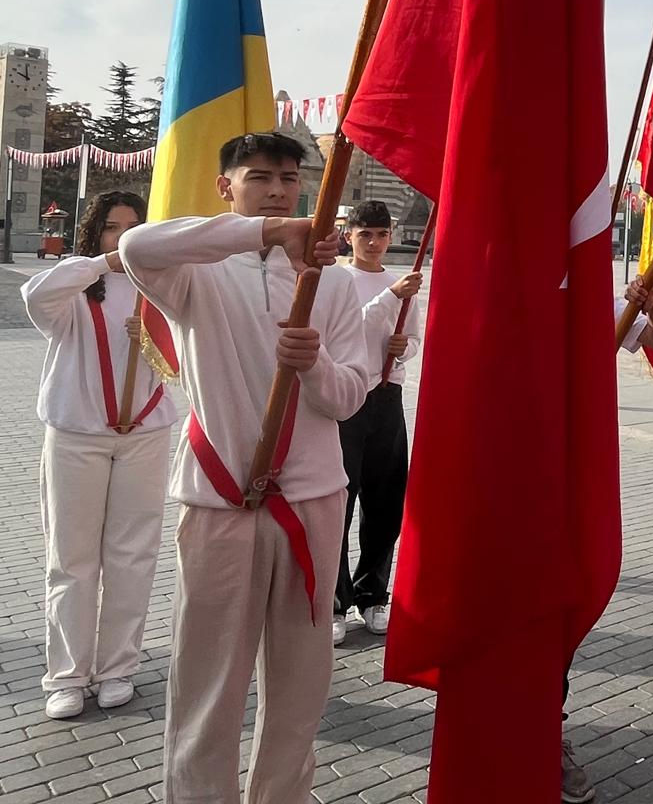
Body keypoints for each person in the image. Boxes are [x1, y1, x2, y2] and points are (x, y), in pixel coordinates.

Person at [120, 133, 369, 804]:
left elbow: (348, 397)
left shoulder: (334, 283)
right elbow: (136, 246)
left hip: (313, 501)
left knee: (300, 682)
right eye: (259, 177)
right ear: (225, 187)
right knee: (208, 679)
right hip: (219, 500)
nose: (279, 190)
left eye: (289, 179)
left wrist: (313, 364)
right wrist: (271, 233)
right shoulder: (195, 275)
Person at [21, 190, 179, 721]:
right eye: (113, 227)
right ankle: (67, 675)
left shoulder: (158, 286)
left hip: (145, 435)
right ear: (95, 232)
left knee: (133, 557)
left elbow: (190, 350)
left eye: (134, 228)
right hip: (78, 437)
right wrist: (102, 263)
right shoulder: (74, 284)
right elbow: (35, 297)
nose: (123, 238)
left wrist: (155, 335)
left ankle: (117, 668)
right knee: (72, 560)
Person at [563, 276, 653, 804]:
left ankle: (550, 727)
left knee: (563, 603)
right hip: (514, 460)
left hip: (576, 463)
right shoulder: (512, 291)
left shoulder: (594, 300)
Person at [333, 200, 423, 646]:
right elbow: (348, 332)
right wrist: (391, 298)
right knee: (339, 500)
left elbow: (414, 340)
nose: (373, 242)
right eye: (365, 234)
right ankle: (335, 600)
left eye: (381, 234)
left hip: (388, 396)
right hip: (348, 395)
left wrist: (403, 348)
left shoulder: (401, 283)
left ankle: (373, 594)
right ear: (348, 235)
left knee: (385, 502)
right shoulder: (337, 280)